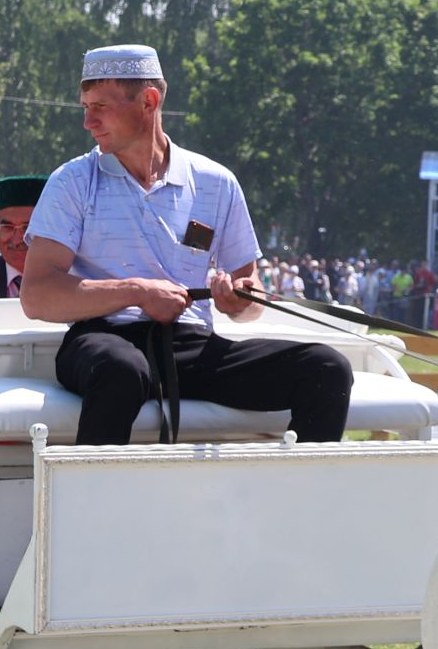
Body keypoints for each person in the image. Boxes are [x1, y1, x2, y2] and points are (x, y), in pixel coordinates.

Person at [20, 43, 352, 446]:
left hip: (190, 346)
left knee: (326, 367)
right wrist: (138, 292)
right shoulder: (71, 181)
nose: (88, 121)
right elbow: (36, 296)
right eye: (85, 106)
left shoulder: (216, 182)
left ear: (149, 100)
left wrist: (240, 300)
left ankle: (307, 503)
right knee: (121, 369)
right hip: (100, 341)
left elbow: (251, 290)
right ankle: (94, 506)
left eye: (100, 107)